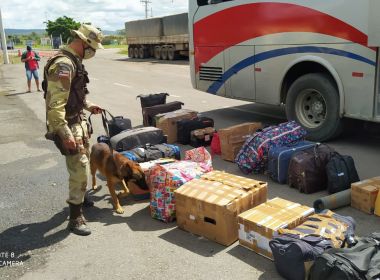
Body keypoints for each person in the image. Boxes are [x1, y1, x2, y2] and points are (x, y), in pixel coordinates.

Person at [43, 24, 104, 236]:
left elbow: (76, 94)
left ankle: (82, 196)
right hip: (67, 125)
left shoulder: (74, 62)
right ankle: (75, 217)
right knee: (78, 169)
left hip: (78, 122)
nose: (93, 52)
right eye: (92, 47)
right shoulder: (64, 64)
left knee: (84, 163)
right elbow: (55, 104)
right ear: (81, 42)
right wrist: (65, 133)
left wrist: (89, 105)